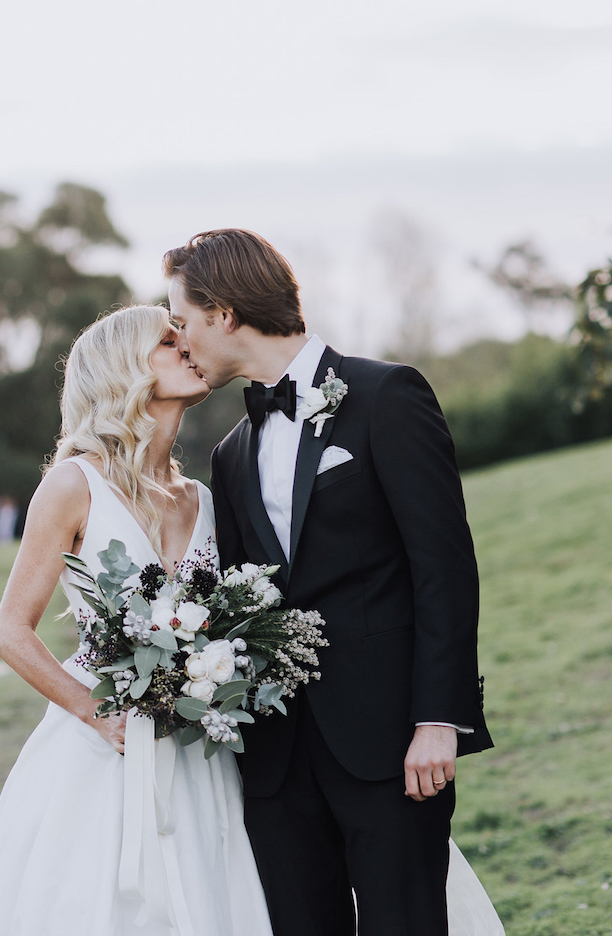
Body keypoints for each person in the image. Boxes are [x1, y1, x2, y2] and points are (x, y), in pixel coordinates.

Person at [0, 298, 503, 935]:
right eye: (167, 340)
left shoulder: (205, 495)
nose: (186, 346)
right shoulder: (75, 483)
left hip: (206, 750)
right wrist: (96, 713)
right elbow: (11, 632)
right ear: (124, 369)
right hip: (107, 748)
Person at [167, 229, 499, 936]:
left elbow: (443, 565)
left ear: (224, 313)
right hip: (278, 760)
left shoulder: (388, 395)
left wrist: (438, 718)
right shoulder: (230, 454)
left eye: (185, 319)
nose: (182, 339)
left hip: (390, 743)